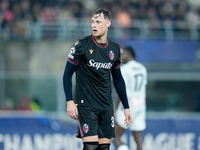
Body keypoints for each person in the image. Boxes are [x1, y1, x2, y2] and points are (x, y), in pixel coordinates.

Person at [63, 8, 132, 150]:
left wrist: (126, 106)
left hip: (106, 105)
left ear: (108, 23)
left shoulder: (114, 49)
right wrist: (70, 101)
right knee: (91, 147)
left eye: (98, 22)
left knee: (104, 148)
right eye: (92, 22)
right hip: (86, 105)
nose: (94, 25)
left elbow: (118, 79)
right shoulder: (82, 45)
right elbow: (67, 74)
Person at [114, 47, 148, 150]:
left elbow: (121, 90)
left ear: (129, 55)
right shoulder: (142, 68)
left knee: (115, 136)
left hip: (128, 104)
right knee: (138, 141)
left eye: (122, 55)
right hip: (141, 104)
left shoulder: (124, 69)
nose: (121, 58)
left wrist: (116, 109)